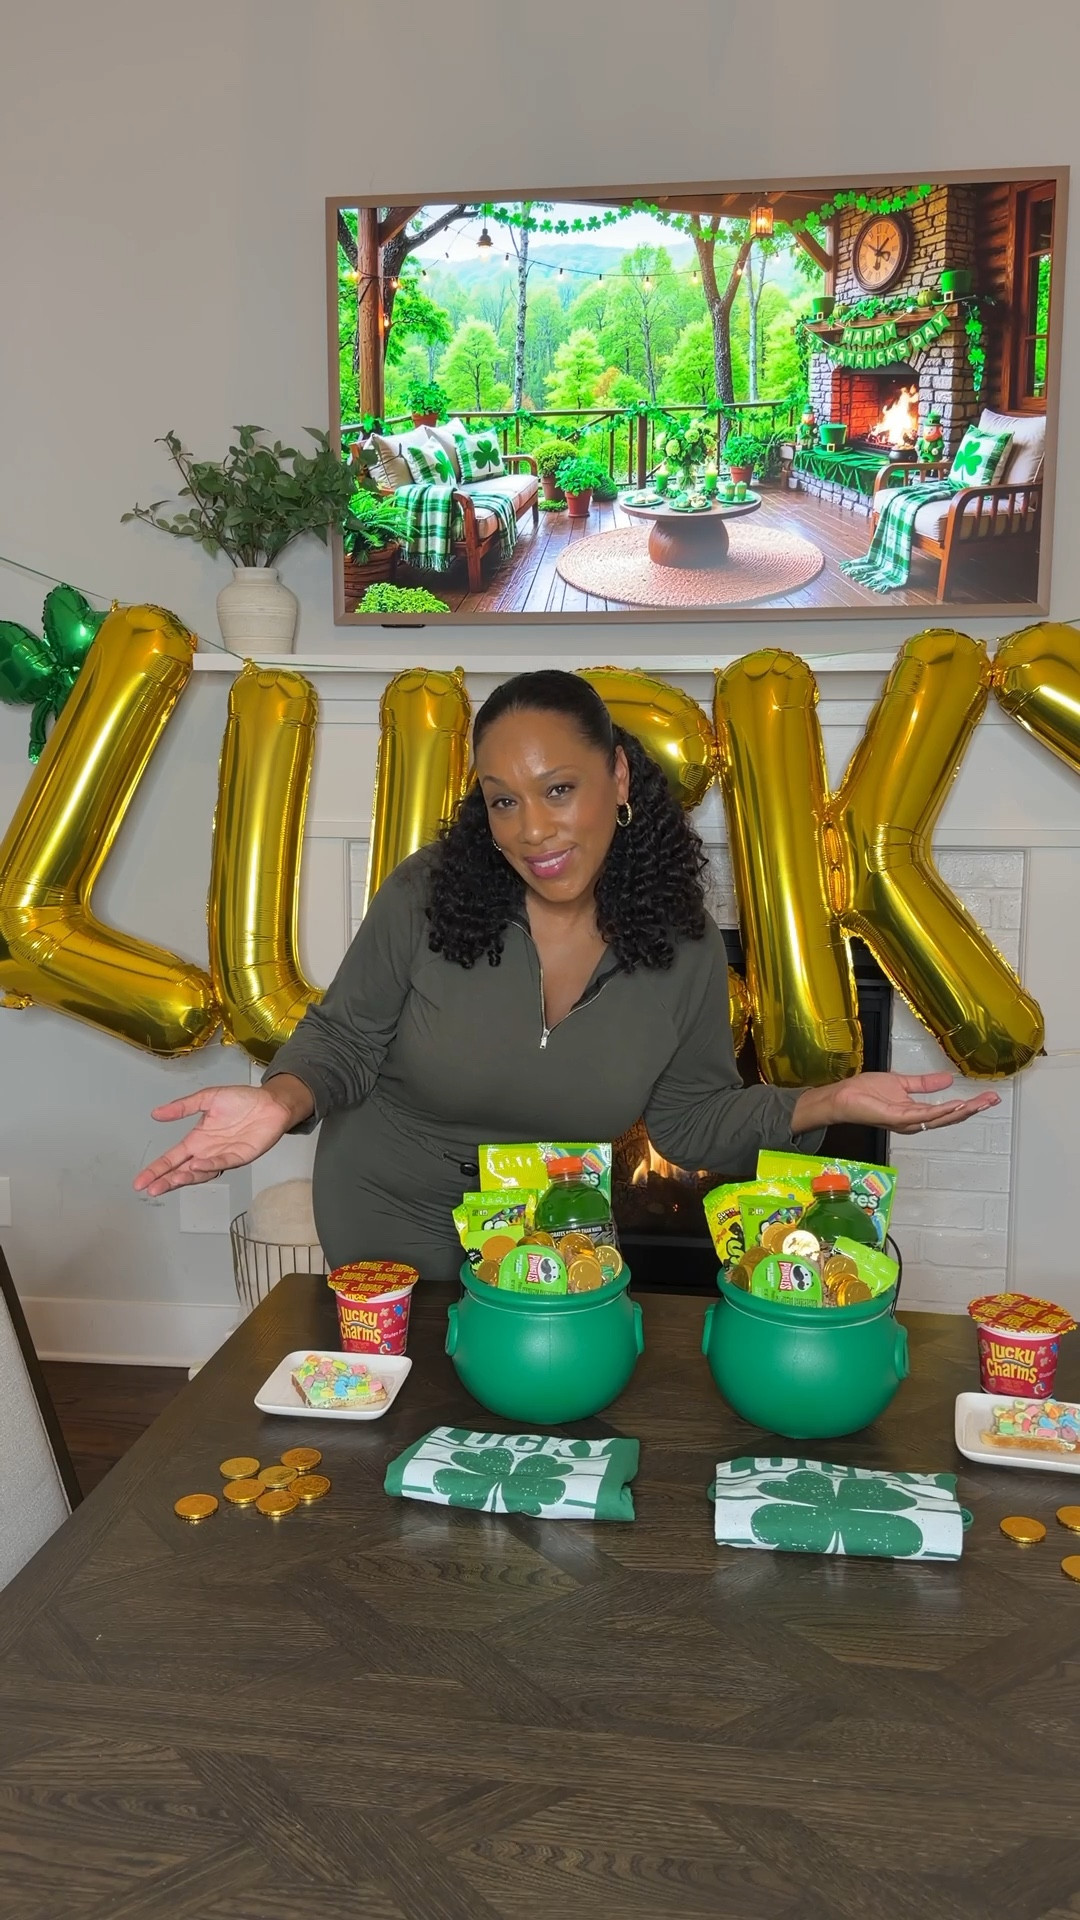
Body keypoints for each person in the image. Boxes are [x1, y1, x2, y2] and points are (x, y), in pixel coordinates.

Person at [134, 671, 999, 1281]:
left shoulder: (682, 946)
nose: (532, 831)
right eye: (504, 799)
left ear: (618, 776)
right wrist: (278, 1102)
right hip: (387, 1200)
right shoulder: (428, 894)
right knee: (409, 1425)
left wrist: (831, 1101)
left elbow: (692, 1121)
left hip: (549, 1213)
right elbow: (343, 1038)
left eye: (559, 790)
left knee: (548, 1429)